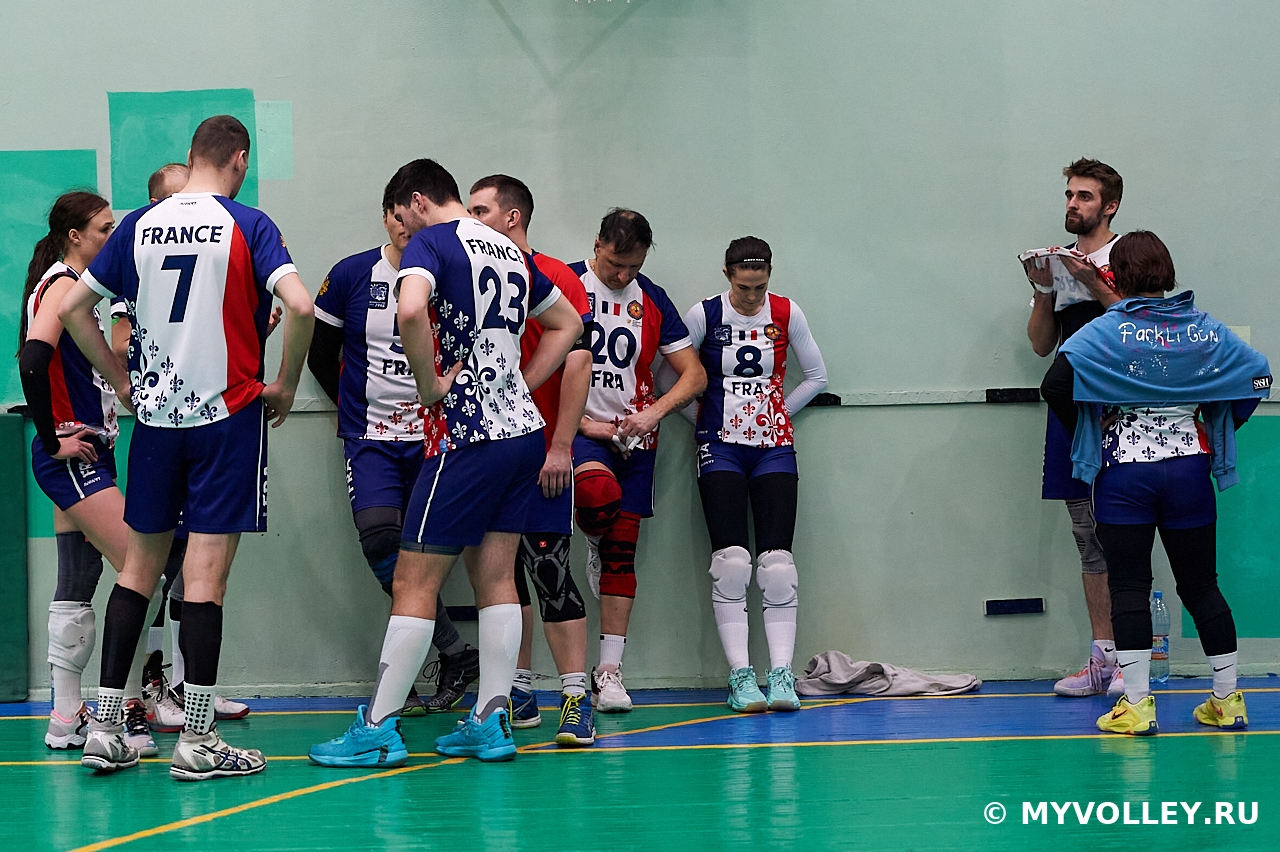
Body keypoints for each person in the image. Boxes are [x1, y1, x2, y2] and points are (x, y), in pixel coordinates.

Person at [60, 114, 316, 780]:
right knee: (203, 578)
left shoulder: (141, 224)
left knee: (136, 572)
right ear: (239, 159)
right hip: (225, 417)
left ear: (191, 155)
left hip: (156, 422)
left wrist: (121, 381)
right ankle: (198, 739)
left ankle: (106, 728)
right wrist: (286, 386)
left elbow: (73, 311)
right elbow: (300, 306)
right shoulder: (247, 223)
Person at [308, 158, 582, 767]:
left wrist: (431, 384)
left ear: (416, 202)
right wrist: (521, 380)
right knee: (497, 578)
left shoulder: (433, 242)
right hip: (522, 433)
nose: (402, 232)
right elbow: (568, 323)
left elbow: (410, 312)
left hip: (467, 434)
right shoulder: (511, 250)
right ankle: (490, 720)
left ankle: (377, 727)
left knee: (413, 581)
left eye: (402, 218)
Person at [1040, 231, 1269, 735]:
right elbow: (1258, 376)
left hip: (1125, 475)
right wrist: (1219, 424)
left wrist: (1093, 425)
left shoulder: (1105, 331)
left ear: (1114, 276)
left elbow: (1053, 385)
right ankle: (1228, 700)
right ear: (1167, 272)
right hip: (1190, 472)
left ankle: (1138, 706)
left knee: (1128, 586)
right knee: (1202, 586)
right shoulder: (1202, 328)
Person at [308, 179, 479, 715]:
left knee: (425, 554)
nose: (406, 226)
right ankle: (455, 651)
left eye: (412, 216)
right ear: (387, 217)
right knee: (381, 539)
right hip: (372, 438)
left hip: (437, 436)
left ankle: (416, 672)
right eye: (396, 217)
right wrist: (352, 408)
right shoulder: (352, 274)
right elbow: (320, 353)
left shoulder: (451, 269)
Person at [15, 191, 162, 755]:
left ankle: (65, 715)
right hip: (75, 454)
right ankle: (119, 711)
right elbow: (33, 359)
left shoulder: (73, 288)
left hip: (89, 448)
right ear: (74, 236)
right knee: (142, 571)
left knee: (77, 581)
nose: (112, 235)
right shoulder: (59, 286)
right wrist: (53, 438)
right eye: (104, 228)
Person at [114, 162, 253, 732]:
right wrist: (128, 381)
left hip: (172, 420)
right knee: (169, 569)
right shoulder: (139, 250)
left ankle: (174, 690)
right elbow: (117, 337)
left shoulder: (165, 242)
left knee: (175, 569)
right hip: (182, 418)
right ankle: (155, 701)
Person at [468, 174, 597, 746]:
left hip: (541, 452)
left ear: (512, 217)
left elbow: (578, 362)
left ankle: (575, 696)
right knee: (497, 576)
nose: (470, 219)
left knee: (549, 569)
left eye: (480, 210)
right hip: (486, 451)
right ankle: (514, 692)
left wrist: (562, 446)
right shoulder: (468, 270)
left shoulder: (554, 276)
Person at [681, 237, 827, 712]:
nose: (751, 297)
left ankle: (781, 675)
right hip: (720, 448)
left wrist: (777, 413)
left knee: (778, 566)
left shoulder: (786, 312)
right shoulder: (705, 314)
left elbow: (817, 377)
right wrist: (705, 422)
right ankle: (740, 676)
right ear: (728, 276)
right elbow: (670, 379)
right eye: (743, 287)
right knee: (731, 563)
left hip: (773, 448)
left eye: (759, 287)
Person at [569, 209, 706, 712]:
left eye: (633, 266)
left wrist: (654, 413)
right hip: (581, 430)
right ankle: (593, 534)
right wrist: (579, 423)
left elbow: (693, 375)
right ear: (597, 244)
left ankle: (609, 672)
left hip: (634, 437)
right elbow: (532, 360)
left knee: (623, 554)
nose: (622, 275)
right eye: (614, 264)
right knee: (595, 495)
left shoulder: (651, 297)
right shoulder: (565, 284)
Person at [1023, 158, 1125, 699]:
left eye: (1084, 196)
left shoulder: (1128, 256)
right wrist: (1045, 289)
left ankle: (1133, 659)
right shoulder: (1058, 261)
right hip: (1069, 406)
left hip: (1116, 408)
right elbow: (1042, 345)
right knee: (1087, 535)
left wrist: (1094, 283)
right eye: (1069, 194)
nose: (1072, 204)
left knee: (1124, 531)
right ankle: (1102, 658)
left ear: (1109, 206)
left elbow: (1141, 322)